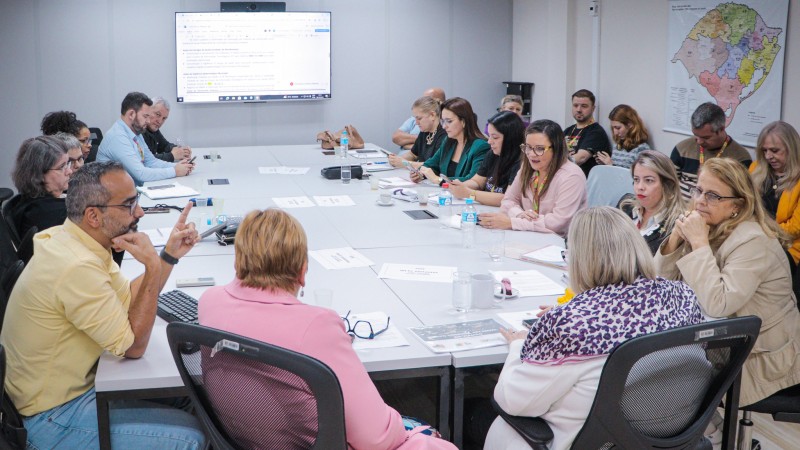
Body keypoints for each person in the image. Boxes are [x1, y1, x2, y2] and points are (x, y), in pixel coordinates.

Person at [198, 208, 456, 450]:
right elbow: (376, 438)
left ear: (237, 261)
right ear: (302, 271)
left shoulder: (209, 302)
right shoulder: (315, 326)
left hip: (250, 437)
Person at [1, 161, 206, 449]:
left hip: (67, 392)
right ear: (94, 216)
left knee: (193, 397)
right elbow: (133, 347)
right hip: (51, 416)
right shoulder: (76, 266)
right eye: (129, 205)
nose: (140, 212)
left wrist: (168, 256)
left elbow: (128, 299)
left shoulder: (75, 239)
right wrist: (151, 266)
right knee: (191, 439)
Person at [485, 207, 705, 450]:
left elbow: (513, 402)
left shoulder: (571, 325)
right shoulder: (682, 296)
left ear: (580, 259)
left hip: (590, 441)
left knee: (489, 422)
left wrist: (518, 344)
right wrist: (574, 309)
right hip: (665, 436)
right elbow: (626, 312)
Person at [655, 158, 800, 407]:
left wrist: (699, 244)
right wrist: (676, 239)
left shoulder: (754, 240)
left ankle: (709, 436)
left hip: (760, 357)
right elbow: (661, 283)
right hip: (722, 344)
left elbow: (718, 304)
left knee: (666, 381)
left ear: (737, 205)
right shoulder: (710, 224)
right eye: (699, 190)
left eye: (712, 195)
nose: (700, 201)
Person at [478, 119, 587, 236]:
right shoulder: (527, 167)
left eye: (540, 149)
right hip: (530, 235)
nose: (531, 154)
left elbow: (558, 222)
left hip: (561, 244)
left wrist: (513, 222)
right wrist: (519, 214)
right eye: (528, 147)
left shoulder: (571, 176)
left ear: (557, 148)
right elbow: (508, 200)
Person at [97, 91, 194, 186]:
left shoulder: (136, 133)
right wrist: (174, 171)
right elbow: (141, 174)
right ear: (131, 114)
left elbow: (151, 162)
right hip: (114, 198)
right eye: (145, 116)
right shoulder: (117, 137)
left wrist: (180, 166)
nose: (148, 121)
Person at [670, 102, 752, 200]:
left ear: (721, 129)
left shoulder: (740, 158)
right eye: (696, 135)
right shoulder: (682, 148)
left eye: (706, 137)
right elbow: (669, 184)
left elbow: (740, 196)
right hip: (680, 210)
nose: (699, 141)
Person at [750, 121, 800, 267]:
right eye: (764, 150)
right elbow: (744, 204)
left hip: (787, 246)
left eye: (774, 150)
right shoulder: (755, 168)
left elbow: (795, 228)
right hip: (753, 237)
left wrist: (761, 232)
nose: (768, 156)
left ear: (792, 148)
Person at [449, 111, 524, 206]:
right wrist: (460, 186)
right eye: (489, 136)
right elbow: (477, 181)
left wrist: (469, 193)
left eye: (495, 137)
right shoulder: (492, 154)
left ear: (511, 138)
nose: (489, 141)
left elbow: (506, 198)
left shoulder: (521, 162)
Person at [618, 151, 685, 254]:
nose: (640, 187)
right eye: (636, 179)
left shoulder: (676, 225)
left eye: (649, 180)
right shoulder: (625, 205)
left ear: (667, 185)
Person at [412, 97, 489, 184]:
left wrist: (439, 180)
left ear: (463, 121)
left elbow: (473, 180)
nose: (444, 126)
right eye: (443, 121)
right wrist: (420, 174)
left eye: (449, 121)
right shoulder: (448, 141)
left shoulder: (481, 146)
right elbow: (430, 164)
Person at [9, 136, 73, 239]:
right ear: (39, 175)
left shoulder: (30, 199)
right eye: (62, 167)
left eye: (68, 164)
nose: (69, 171)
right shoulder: (53, 213)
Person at [387, 96, 447, 169]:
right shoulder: (425, 131)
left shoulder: (444, 135)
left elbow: (434, 165)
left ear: (432, 115)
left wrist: (405, 163)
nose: (416, 123)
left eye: (419, 118)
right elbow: (413, 154)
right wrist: (396, 160)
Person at [562, 89, 611, 177]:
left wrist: (561, 160)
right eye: (575, 105)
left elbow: (581, 158)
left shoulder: (596, 132)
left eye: (584, 106)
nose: (579, 110)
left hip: (586, 185)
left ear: (593, 108)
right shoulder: (568, 130)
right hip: (567, 178)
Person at [595, 104, 650, 169]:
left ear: (630, 125)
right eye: (613, 128)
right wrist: (605, 164)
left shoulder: (642, 149)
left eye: (618, 128)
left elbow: (638, 176)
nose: (615, 132)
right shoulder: (617, 145)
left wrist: (611, 165)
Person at [143, 96, 192, 162]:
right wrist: (172, 156)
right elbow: (145, 160)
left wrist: (179, 150)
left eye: (164, 118)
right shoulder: (140, 130)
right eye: (158, 114)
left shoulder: (153, 129)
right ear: (148, 110)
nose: (160, 121)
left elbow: (164, 146)